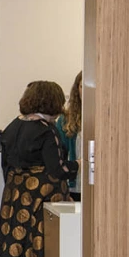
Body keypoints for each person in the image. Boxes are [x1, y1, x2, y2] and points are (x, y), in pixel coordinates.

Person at [0, 81, 79, 257]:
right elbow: (57, 169)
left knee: (13, 250)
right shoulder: (46, 131)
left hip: (14, 198)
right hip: (39, 198)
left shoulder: (13, 126)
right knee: (37, 253)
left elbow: (6, 166)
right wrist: (79, 164)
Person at [55, 71, 83, 201]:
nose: (85, 91)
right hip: (74, 185)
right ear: (77, 89)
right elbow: (58, 156)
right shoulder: (65, 119)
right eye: (82, 87)